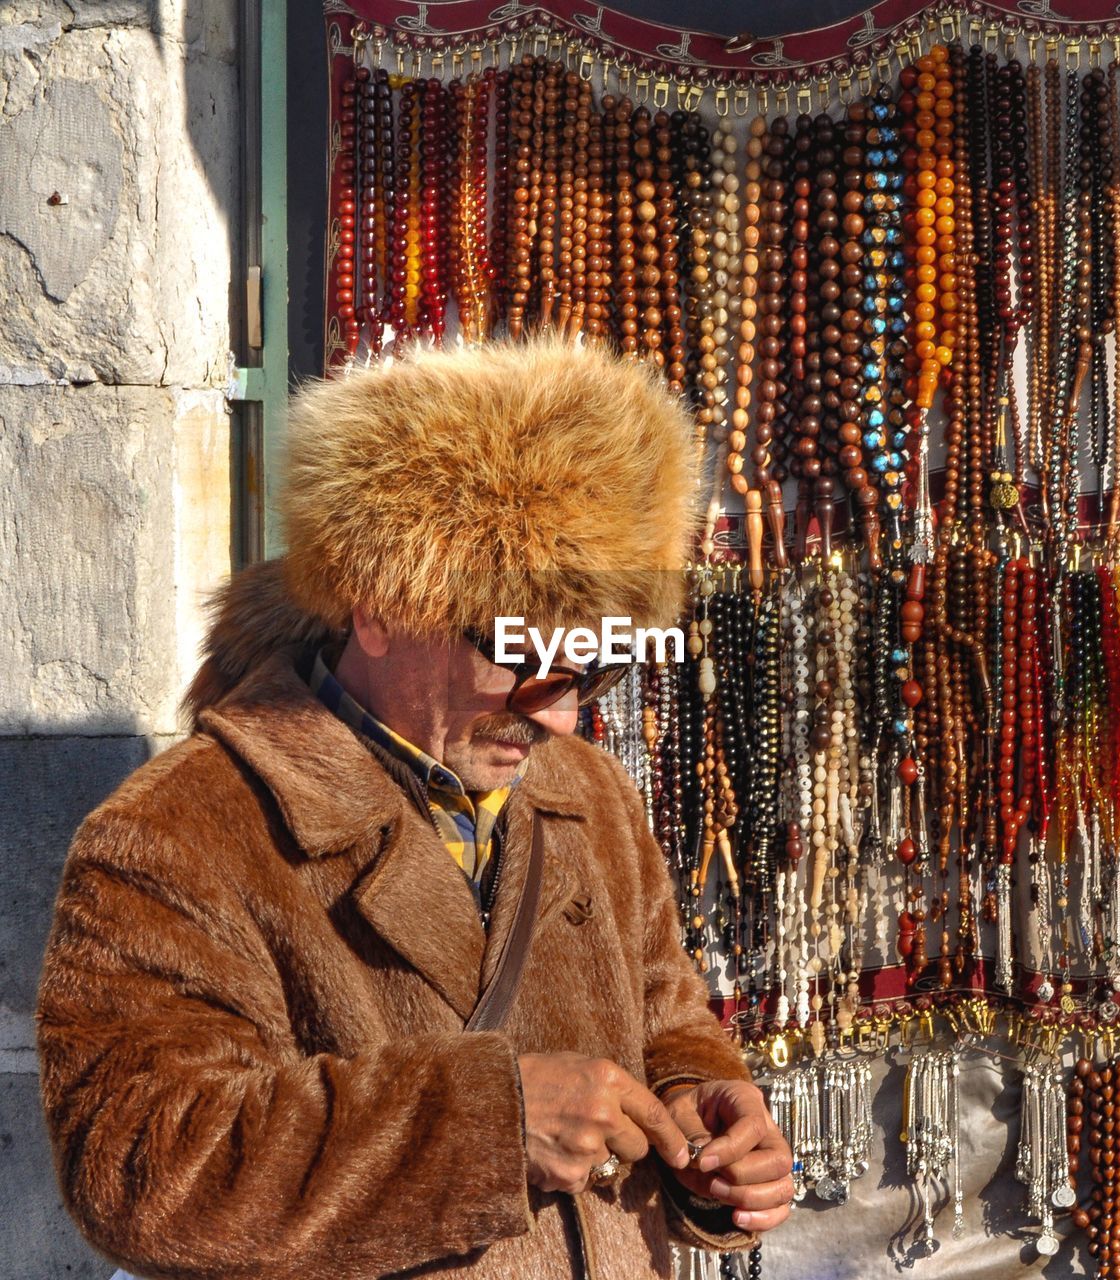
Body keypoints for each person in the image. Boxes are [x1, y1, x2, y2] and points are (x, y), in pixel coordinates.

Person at [36, 337, 793, 1280]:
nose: (562, 712)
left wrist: (709, 1112)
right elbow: (141, 1171)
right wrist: (483, 1128)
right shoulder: (175, 835)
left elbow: (664, 1016)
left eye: (599, 665)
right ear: (381, 608)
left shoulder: (587, 794)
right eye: (525, 656)